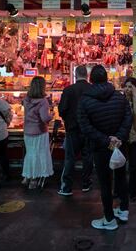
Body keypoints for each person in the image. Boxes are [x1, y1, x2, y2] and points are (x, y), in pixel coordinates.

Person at [78, 65, 132, 231]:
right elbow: (127, 119)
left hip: (100, 148)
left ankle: (109, 219)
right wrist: (118, 138)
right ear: (107, 78)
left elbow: (85, 126)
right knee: (121, 177)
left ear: (90, 80)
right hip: (119, 145)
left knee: (105, 183)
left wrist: (105, 140)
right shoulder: (119, 97)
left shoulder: (85, 100)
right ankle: (123, 210)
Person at [58, 65, 93, 196]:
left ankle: (67, 187)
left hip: (72, 129)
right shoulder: (92, 89)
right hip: (88, 130)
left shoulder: (68, 90)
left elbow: (62, 110)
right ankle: (86, 183)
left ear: (75, 74)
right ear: (87, 75)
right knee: (87, 157)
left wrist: (68, 119)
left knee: (70, 158)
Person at [21, 76, 54, 189]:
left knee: (30, 153)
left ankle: (27, 177)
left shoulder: (26, 99)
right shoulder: (43, 101)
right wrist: (52, 116)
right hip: (39, 131)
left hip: (27, 131)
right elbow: (45, 118)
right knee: (39, 154)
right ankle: (34, 180)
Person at [121, 77, 136, 201]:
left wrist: (134, 95)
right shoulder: (120, 100)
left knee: (134, 165)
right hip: (122, 137)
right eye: (126, 86)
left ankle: (134, 192)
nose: (127, 89)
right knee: (119, 165)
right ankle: (119, 191)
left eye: (131, 87)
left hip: (135, 137)